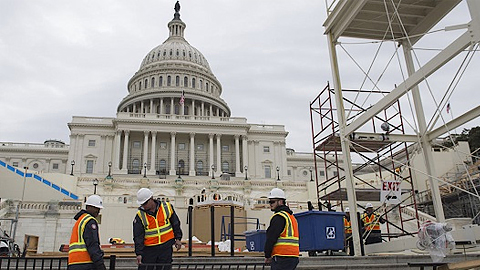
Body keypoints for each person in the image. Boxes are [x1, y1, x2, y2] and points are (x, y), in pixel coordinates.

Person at [133, 188, 183, 270]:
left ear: (151, 198)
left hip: (166, 247)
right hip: (149, 250)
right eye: (142, 204)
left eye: (145, 203)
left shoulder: (167, 207)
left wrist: (178, 238)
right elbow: (138, 236)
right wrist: (139, 253)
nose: (144, 206)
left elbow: (175, 223)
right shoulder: (140, 215)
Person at [264, 188, 299, 270]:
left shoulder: (279, 217)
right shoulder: (291, 217)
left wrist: (267, 255)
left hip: (282, 256)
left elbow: (271, 237)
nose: (270, 204)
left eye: (272, 202)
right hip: (293, 256)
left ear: (280, 202)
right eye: (270, 202)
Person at [67, 195, 106, 270]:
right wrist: (100, 265)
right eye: (96, 208)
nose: (98, 211)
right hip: (85, 263)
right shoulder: (90, 221)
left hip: (73, 263)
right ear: (89, 207)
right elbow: (93, 244)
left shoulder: (80, 220)